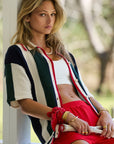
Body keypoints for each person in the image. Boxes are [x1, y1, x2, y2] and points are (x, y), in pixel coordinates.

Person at [4, 0, 114, 144]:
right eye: (43, 14)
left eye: (53, 14)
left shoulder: (64, 54)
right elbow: (25, 103)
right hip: (62, 125)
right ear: (27, 17)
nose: (50, 20)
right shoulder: (18, 53)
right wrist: (65, 116)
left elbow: (86, 93)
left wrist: (104, 112)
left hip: (93, 119)